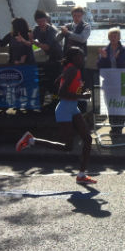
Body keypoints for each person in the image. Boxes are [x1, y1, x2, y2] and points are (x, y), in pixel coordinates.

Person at [15, 47, 97, 185]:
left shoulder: (74, 70)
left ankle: (82, 175)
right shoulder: (72, 70)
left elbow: (74, 88)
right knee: (67, 146)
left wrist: (83, 91)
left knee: (87, 139)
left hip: (72, 108)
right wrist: (82, 96)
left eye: (83, 57)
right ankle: (31, 140)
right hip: (65, 109)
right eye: (80, 57)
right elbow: (62, 93)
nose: (82, 59)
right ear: (73, 58)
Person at [97, 27, 125, 136]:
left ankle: (119, 127)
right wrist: (105, 58)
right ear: (108, 37)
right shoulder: (104, 50)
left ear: (119, 37)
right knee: (110, 103)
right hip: (109, 81)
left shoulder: (124, 49)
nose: (113, 38)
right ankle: (113, 126)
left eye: (115, 36)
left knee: (120, 104)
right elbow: (100, 66)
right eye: (111, 36)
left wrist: (116, 58)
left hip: (121, 80)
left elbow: (124, 63)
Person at [32, 10, 63, 109]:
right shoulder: (36, 29)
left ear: (46, 20)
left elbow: (47, 47)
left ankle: (56, 103)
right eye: (38, 22)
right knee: (48, 82)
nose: (41, 24)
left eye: (42, 21)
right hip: (48, 59)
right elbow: (30, 38)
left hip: (57, 59)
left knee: (55, 83)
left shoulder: (52, 30)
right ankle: (51, 102)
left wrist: (34, 42)